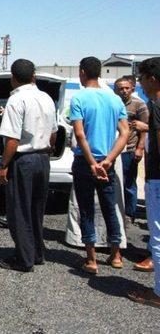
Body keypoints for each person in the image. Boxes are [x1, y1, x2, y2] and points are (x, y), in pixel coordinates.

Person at [0, 59, 57, 272]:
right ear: (34, 77)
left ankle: (23, 259)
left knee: (19, 210)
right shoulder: (46, 97)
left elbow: (12, 140)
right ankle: (37, 253)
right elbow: (54, 133)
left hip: (24, 161)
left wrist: (3, 165)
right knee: (36, 209)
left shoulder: (16, 100)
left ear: (13, 78)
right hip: (43, 158)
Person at [70, 57, 129, 274]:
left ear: (83, 72)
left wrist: (93, 163)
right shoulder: (115, 100)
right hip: (108, 162)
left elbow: (79, 133)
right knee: (109, 208)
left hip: (85, 162)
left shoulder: (78, 98)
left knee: (86, 209)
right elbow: (124, 133)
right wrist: (108, 160)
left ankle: (92, 259)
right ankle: (116, 255)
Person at [128, 57, 160, 308]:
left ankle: (158, 293)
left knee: (157, 237)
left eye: (140, 79)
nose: (139, 84)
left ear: (152, 79)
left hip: (158, 178)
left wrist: (146, 129)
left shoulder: (156, 104)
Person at [113, 76, 148, 225]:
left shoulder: (139, 105)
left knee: (128, 184)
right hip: (113, 150)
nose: (124, 91)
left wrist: (140, 148)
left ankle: (129, 214)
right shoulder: (112, 103)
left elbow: (145, 129)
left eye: (127, 88)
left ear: (132, 88)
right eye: (120, 88)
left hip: (130, 150)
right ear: (115, 90)